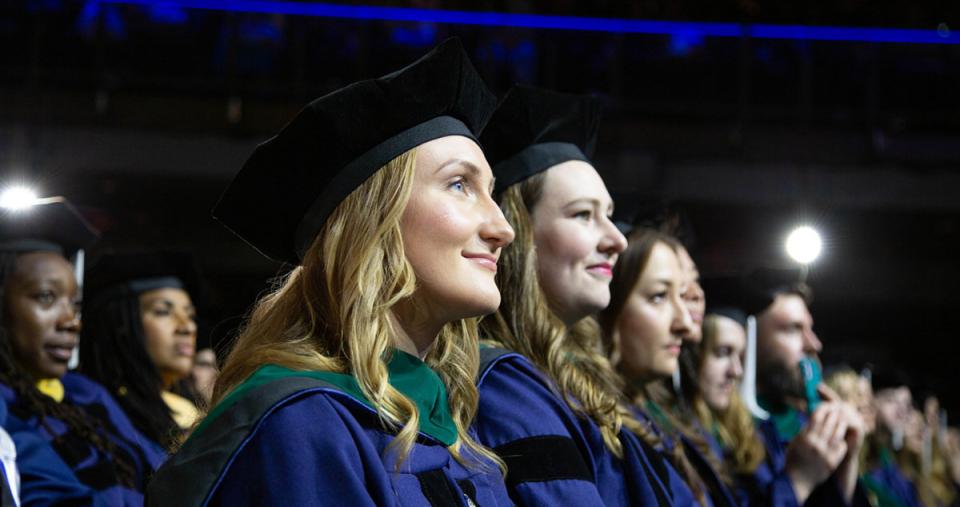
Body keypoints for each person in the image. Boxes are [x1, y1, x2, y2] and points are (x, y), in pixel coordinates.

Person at [147, 38, 516, 506]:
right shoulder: (298, 424)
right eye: (459, 184)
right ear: (372, 223)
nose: (501, 228)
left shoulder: (448, 427)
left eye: (492, 192)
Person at [473, 84, 701, 506]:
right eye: (583, 215)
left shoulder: (576, 380)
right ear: (517, 234)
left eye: (610, 216)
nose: (616, 239)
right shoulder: (505, 387)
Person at [0, 198, 166, 505]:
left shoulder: (86, 395)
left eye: (75, 305)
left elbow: (165, 475)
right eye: (46, 297)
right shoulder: (5, 407)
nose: (71, 322)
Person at [599, 226, 741, 507]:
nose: (684, 323)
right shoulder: (592, 424)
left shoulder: (659, 415)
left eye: (684, 294)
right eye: (659, 296)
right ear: (608, 303)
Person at [748, 268, 868, 505]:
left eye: (810, 329)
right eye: (793, 329)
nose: (814, 344)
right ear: (749, 336)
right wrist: (798, 481)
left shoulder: (807, 428)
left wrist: (845, 468)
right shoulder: (730, 431)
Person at [80, 251, 203, 448]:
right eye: (163, 311)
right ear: (121, 325)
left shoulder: (189, 413)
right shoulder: (91, 411)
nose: (187, 327)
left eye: (190, 315)